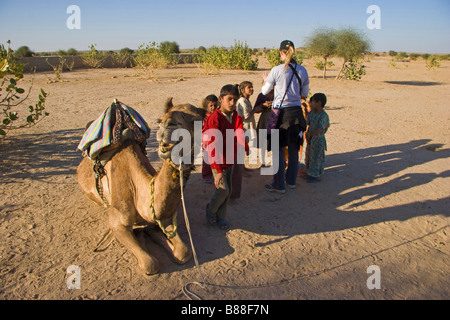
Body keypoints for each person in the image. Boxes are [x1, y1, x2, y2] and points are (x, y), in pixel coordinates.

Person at [261, 40, 310, 193]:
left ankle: (278, 185)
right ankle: (291, 182)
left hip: (280, 115)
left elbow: (264, 92)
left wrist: (265, 81)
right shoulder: (302, 70)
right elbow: (305, 94)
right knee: (294, 149)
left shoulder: (276, 70)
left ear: (281, 52)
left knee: (278, 151)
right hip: (296, 115)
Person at [203, 84, 246, 230]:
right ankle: (211, 211)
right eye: (229, 99)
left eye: (235, 100)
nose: (232, 103)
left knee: (228, 191)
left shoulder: (234, 116)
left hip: (230, 160)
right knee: (223, 190)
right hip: (218, 162)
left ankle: (221, 217)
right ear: (221, 99)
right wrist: (218, 170)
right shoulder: (214, 119)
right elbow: (213, 147)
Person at [304, 93, 330, 183]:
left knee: (316, 158)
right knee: (309, 156)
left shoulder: (324, 115)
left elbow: (320, 128)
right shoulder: (312, 113)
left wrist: (311, 133)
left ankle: (314, 175)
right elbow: (307, 122)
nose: (311, 103)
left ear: (319, 102)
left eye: (313, 101)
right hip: (311, 140)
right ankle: (309, 173)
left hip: (318, 140)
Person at [253, 85, 274, 167]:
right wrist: (263, 106)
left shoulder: (278, 94)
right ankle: (263, 161)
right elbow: (255, 109)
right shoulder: (261, 95)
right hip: (264, 119)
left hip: (275, 118)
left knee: (274, 140)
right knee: (263, 141)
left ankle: (273, 161)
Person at [201, 94, 219, 183]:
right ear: (206, 106)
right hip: (207, 142)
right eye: (211, 105)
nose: (213, 107)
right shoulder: (203, 118)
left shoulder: (218, 116)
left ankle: (217, 174)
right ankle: (207, 175)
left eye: (215, 105)